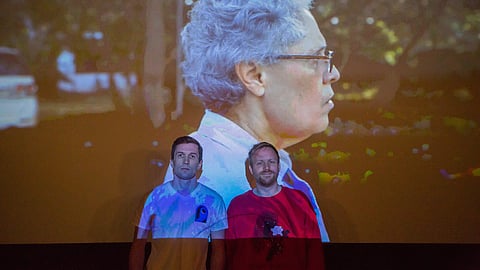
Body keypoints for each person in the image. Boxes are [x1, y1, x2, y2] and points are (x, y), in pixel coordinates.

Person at [164, 0, 340, 242]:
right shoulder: (210, 185)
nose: (332, 73)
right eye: (315, 59)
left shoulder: (230, 163)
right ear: (254, 76)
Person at [129, 136, 228, 270]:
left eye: (192, 156)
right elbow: (138, 246)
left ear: (200, 164)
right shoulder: (152, 199)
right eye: (180, 155)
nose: (186, 161)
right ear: (172, 162)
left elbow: (218, 250)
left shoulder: (214, 201)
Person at [225, 142, 324, 269]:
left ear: (278, 166)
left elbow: (314, 251)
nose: (266, 167)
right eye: (260, 163)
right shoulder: (237, 206)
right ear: (251, 169)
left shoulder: (299, 201)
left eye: (271, 162)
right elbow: (230, 253)